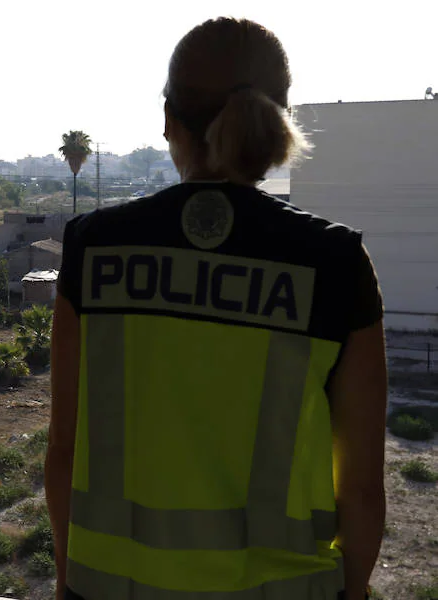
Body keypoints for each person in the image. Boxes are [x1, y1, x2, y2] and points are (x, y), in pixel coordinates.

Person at [46, 17, 386, 600]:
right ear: (277, 123)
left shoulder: (93, 249)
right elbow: (359, 489)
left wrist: (65, 578)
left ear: (168, 121)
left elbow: (64, 449)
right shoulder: (336, 263)